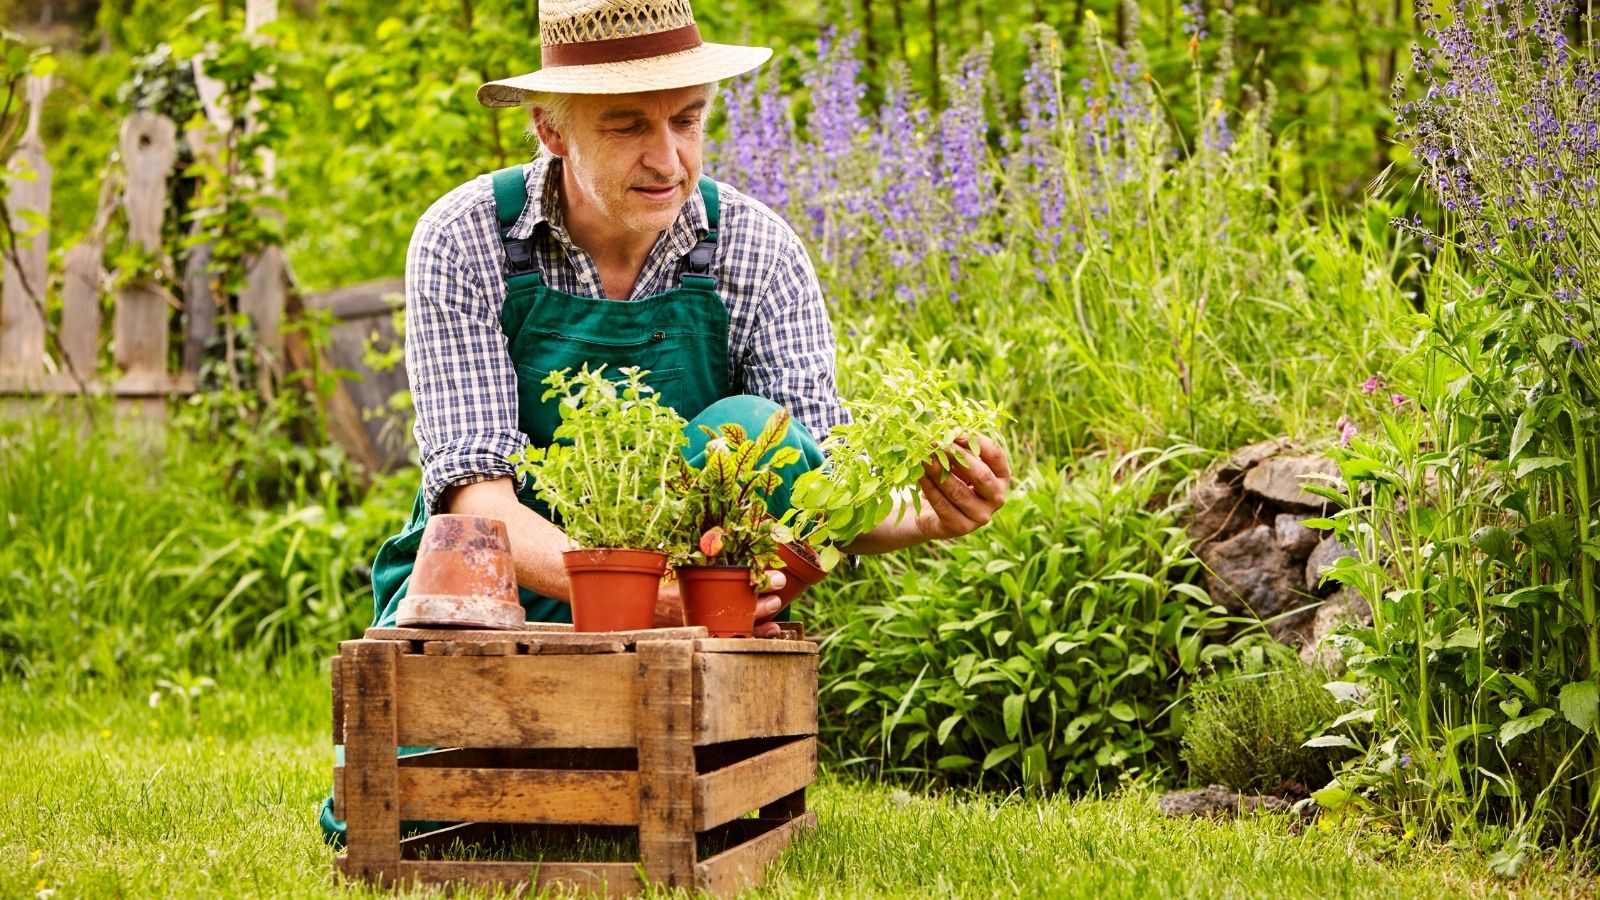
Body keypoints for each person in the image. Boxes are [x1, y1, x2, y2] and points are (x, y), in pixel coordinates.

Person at [365, 0, 1013, 637]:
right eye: (628, 126)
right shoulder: (467, 237)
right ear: (551, 130)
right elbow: (476, 503)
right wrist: (640, 594)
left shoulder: (756, 248)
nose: (669, 160)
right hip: (483, 611)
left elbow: (813, 486)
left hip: (687, 620)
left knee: (758, 430)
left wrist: (925, 512)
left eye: (686, 120)